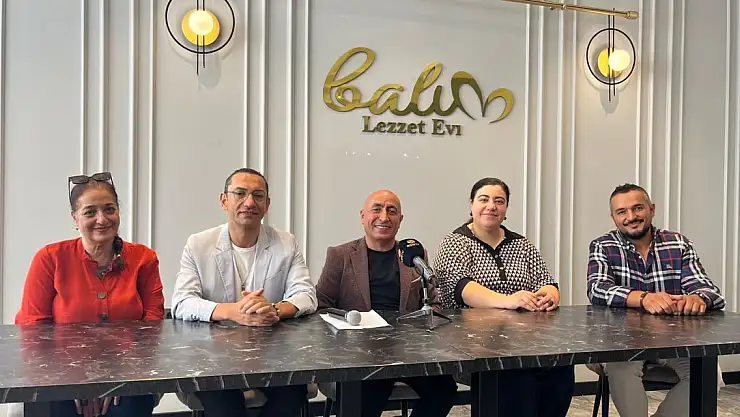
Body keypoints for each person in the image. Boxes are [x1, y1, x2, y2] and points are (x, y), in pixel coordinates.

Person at [15, 171, 165, 417]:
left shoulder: (143, 258)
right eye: (90, 212)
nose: (101, 219)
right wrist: (73, 382)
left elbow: (152, 325)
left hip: (127, 374)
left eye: (109, 209)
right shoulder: (50, 258)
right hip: (62, 376)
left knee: (129, 407)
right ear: (75, 218)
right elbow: (33, 328)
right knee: (56, 408)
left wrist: (120, 378)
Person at [171, 168, 317, 417]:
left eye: (258, 196)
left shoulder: (286, 243)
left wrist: (274, 310)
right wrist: (233, 312)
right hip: (213, 356)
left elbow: (306, 295)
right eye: (240, 193)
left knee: (293, 393)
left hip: (272, 354)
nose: (249, 202)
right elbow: (182, 302)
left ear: (267, 205)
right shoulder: (199, 244)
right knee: (222, 400)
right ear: (224, 200)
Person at [433, 177, 574, 417]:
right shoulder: (454, 242)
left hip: (526, 339)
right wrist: (509, 300)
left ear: (506, 208)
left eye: (499, 201)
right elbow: (462, 289)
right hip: (471, 342)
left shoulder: (522, 245)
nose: (491, 206)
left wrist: (549, 295)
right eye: (484, 199)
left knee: (561, 368)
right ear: (471, 204)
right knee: (516, 375)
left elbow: (548, 283)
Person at [586, 183, 725, 417]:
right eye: (622, 212)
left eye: (638, 208)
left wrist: (698, 298)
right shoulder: (603, 245)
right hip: (621, 342)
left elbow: (709, 290)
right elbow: (597, 289)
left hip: (674, 341)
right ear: (613, 218)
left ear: (652, 209)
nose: (631, 217)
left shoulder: (678, 243)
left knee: (710, 375)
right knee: (621, 368)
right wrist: (643, 298)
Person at [315, 189, 458, 417]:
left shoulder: (414, 256)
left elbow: (433, 302)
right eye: (377, 209)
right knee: (365, 396)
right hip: (360, 354)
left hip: (408, 352)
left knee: (444, 389)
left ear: (400, 219)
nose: (384, 216)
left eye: (392, 211)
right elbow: (321, 307)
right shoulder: (340, 255)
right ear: (363, 216)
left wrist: (425, 323)